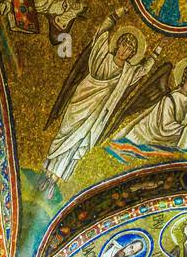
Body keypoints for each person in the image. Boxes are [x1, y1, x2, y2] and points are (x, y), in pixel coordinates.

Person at [42, 11, 158, 193]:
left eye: (130, 49)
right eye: (124, 45)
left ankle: (55, 180)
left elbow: (142, 70)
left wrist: (155, 55)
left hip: (99, 112)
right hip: (83, 99)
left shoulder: (128, 71)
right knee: (66, 133)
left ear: (132, 54)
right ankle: (47, 173)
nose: (125, 50)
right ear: (118, 44)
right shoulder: (103, 55)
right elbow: (100, 36)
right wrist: (113, 17)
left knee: (80, 141)